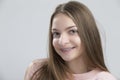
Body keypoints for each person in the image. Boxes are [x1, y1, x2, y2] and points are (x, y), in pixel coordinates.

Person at [24, 1, 117, 80]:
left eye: (72, 31)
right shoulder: (37, 70)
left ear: (89, 34)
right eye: (56, 33)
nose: (62, 41)